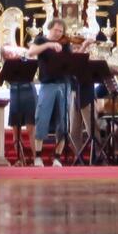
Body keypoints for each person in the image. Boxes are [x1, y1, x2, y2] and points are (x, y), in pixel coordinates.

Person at [27, 19, 80, 165]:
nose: (58, 33)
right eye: (56, 30)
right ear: (49, 28)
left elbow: (72, 61)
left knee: (63, 123)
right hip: (47, 85)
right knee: (42, 119)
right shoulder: (41, 40)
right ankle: (38, 156)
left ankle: (57, 157)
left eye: (61, 31)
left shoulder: (65, 44)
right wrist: (49, 44)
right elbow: (30, 52)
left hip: (64, 84)